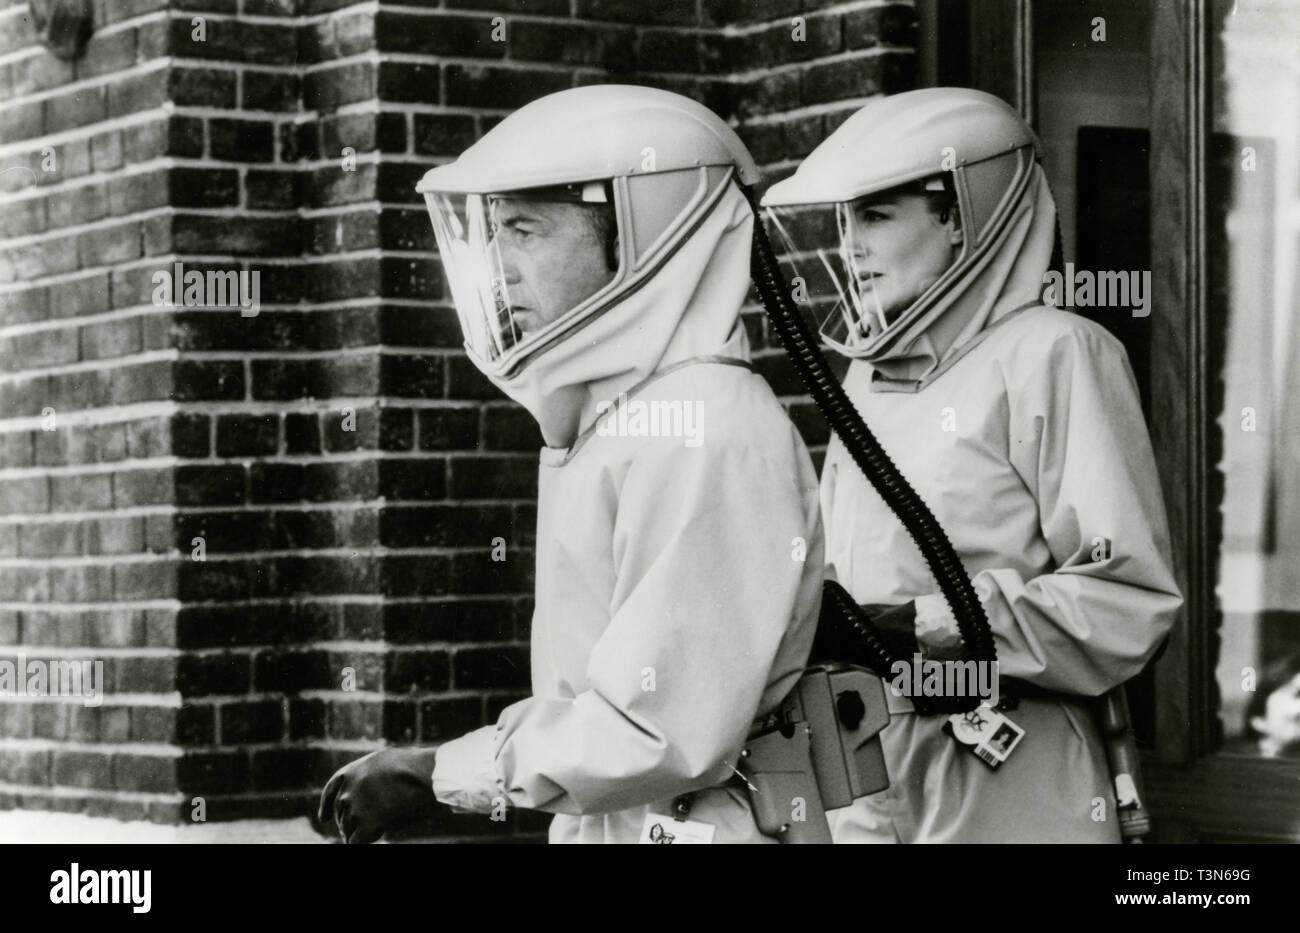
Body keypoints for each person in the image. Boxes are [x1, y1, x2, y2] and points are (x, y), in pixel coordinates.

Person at [317, 85, 824, 844]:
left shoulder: (705, 420)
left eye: (525, 230)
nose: (499, 265)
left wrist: (438, 773)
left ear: (637, 235)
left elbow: (657, 729)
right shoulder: (610, 418)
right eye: (492, 233)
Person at [761, 87, 1183, 842]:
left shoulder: (1056, 352)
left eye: (878, 217)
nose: (850, 246)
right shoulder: (864, 373)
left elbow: (1128, 601)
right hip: (868, 770)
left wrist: (930, 628)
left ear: (961, 218)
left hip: (1009, 780)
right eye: (845, 220)